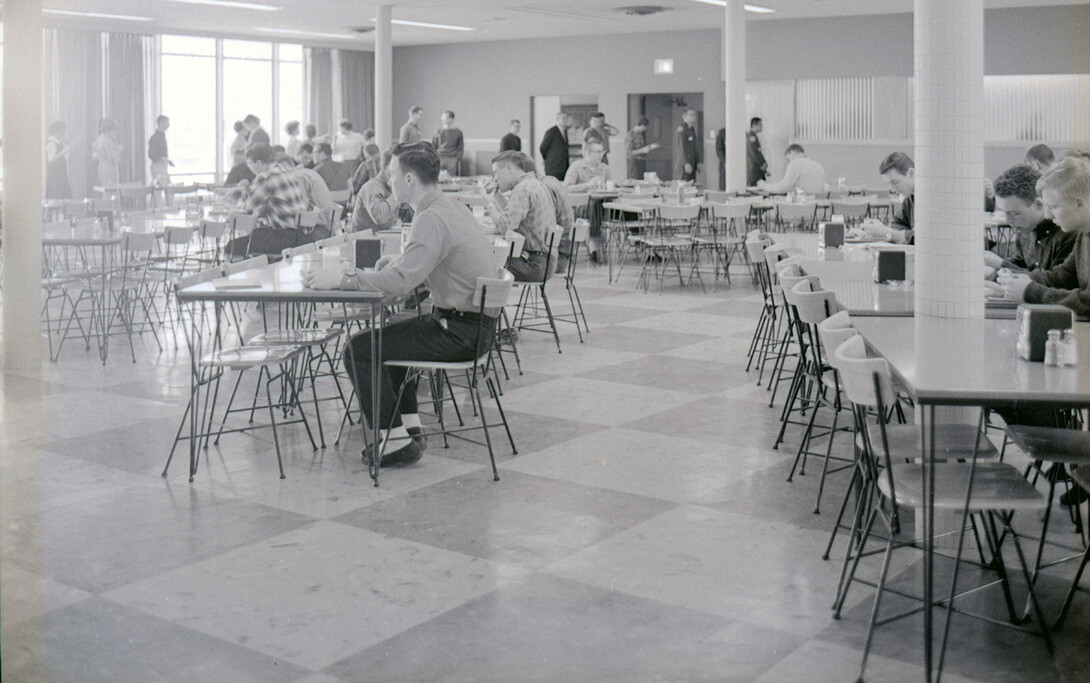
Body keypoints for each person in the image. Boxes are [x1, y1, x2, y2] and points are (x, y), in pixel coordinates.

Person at [303, 142, 498, 467]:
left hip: (459, 333)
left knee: (358, 349)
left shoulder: (430, 219)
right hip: (475, 328)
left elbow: (399, 284)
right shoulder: (448, 208)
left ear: (409, 179)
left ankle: (393, 440)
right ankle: (408, 431)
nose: (388, 180)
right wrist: (400, 262)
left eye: (393, 174)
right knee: (390, 339)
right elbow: (429, 264)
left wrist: (341, 278)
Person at [1000, 156, 1090, 318]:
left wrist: (1029, 291)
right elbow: (1061, 277)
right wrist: (1014, 281)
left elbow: (1087, 303)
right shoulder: (1084, 235)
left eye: (1054, 207)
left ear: (1079, 204)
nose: (1048, 215)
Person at [224, 143, 314, 258]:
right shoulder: (285, 170)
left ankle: (243, 274)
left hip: (284, 237)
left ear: (259, 163)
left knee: (232, 246)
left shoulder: (265, 177)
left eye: (250, 163)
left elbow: (250, 207)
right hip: (301, 235)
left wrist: (240, 198)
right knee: (256, 234)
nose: (250, 167)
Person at [984, 164, 1076, 273]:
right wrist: (994, 272)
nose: (1008, 221)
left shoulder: (1067, 233)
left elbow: (1051, 284)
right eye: (1004, 212)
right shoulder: (1024, 228)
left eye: (1014, 213)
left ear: (1038, 204)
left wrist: (1001, 264)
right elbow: (1020, 264)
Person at [486, 151, 554, 283]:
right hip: (545, 262)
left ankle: (489, 302)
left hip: (532, 265)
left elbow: (504, 227)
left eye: (496, 173)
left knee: (480, 262)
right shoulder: (535, 184)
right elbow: (512, 215)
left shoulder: (522, 189)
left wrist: (489, 204)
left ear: (509, 168)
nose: (495, 179)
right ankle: (492, 303)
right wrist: (496, 195)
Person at [860, 152, 916, 244]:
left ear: (911, 174)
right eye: (889, 184)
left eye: (895, 182)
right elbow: (896, 224)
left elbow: (923, 237)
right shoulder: (909, 200)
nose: (893, 189)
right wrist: (908, 235)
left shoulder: (931, 198)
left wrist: (887, 232)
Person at [352, 155, 409, 233]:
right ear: (387, 168)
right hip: (365, 242)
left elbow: (405, 218)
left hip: (381, 239)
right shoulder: (372, 186)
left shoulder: (388, 188)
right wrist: (398, 194)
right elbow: (379, 217)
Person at [756, 143, 826, 196]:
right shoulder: (818, 165)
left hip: (801, 207)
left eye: (788, 159)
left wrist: (763, 185)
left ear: (792, 153)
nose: (788, 162)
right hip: (816, 209)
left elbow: (783, 188)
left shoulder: (794, 164)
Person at [540, 111, 570, 181]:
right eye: (563, 118)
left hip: (563, 167)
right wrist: (548, 159)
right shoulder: (552, 131)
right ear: (558, 120)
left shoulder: (564, 132)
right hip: (553, 167)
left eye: (566, 118)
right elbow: (542, 148)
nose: (565, 120)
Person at [92, 118, 123, 187]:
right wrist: (119, 150)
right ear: (107, 130)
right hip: (109, 168)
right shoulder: (108, 141)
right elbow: (111, 157)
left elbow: (94, 156)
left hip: (101, 167)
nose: (114, 133)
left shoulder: (98, 140)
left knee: (105, 189)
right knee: (112, 189)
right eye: (113, 131)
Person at [432, 110, 464, 176]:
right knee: (438, 179)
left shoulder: (458, 132)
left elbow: (460, 147)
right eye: (442, 117)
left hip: (452, 159)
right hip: (439, 158)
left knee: (451, 179)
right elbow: (433, 146)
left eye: (445, 117)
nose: (442, 119)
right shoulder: (438, 131)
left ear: (451, 119)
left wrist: (456, 159)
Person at [46, 120, 72, 199]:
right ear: (58, 130)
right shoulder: (52, 143)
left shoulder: (60, 142)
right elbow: (52, 159)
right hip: (55, 177)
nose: (65, 132)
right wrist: (63, 152)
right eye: (63, 130)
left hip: (61, 176)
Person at [675, 109, 700, 182]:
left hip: (692, 162)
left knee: (691, 185)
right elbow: (681, 147)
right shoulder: (682, 129)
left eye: (694, 115)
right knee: (684, 185)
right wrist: (686, 163)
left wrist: (697, 162)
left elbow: (694, 148)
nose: (694, 117)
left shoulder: (692, 129)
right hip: (685, 163)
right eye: (691, 115)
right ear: (684, 117)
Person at [148, 115, 173, 188]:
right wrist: (163, 159)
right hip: (158, 166)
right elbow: (151, 154)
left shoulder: (161, 136)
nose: (168, 125)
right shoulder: (155, 138)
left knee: (158, 188)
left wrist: (167, 161)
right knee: (167, 188)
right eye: (167, 123)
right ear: (161, 123)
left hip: (161, 166)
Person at [747, 117, 768, 186]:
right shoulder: (751, 137)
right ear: (754, 125)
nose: (762, 127)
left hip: (756, 168)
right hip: (755, 169)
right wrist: (762, 164)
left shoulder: (753, 136)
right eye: (760, 125)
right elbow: (755, 153)